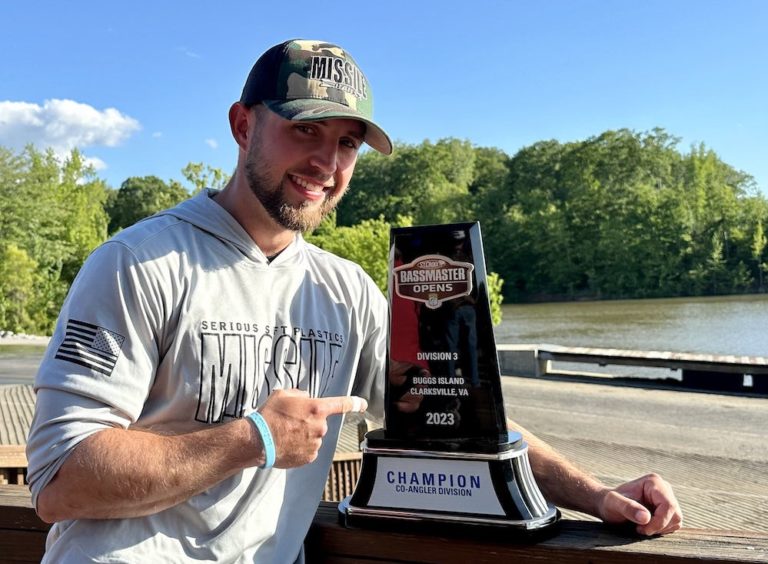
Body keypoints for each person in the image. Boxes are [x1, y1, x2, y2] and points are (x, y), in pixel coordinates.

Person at [25, 38, 681, 563]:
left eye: (346, 143)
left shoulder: (346, 291)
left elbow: (459, 423)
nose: (327, 162)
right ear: (242, 123)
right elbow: (59, 483)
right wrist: (250, 438)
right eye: (305, 130)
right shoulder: (139, 263)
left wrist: (595, 494)